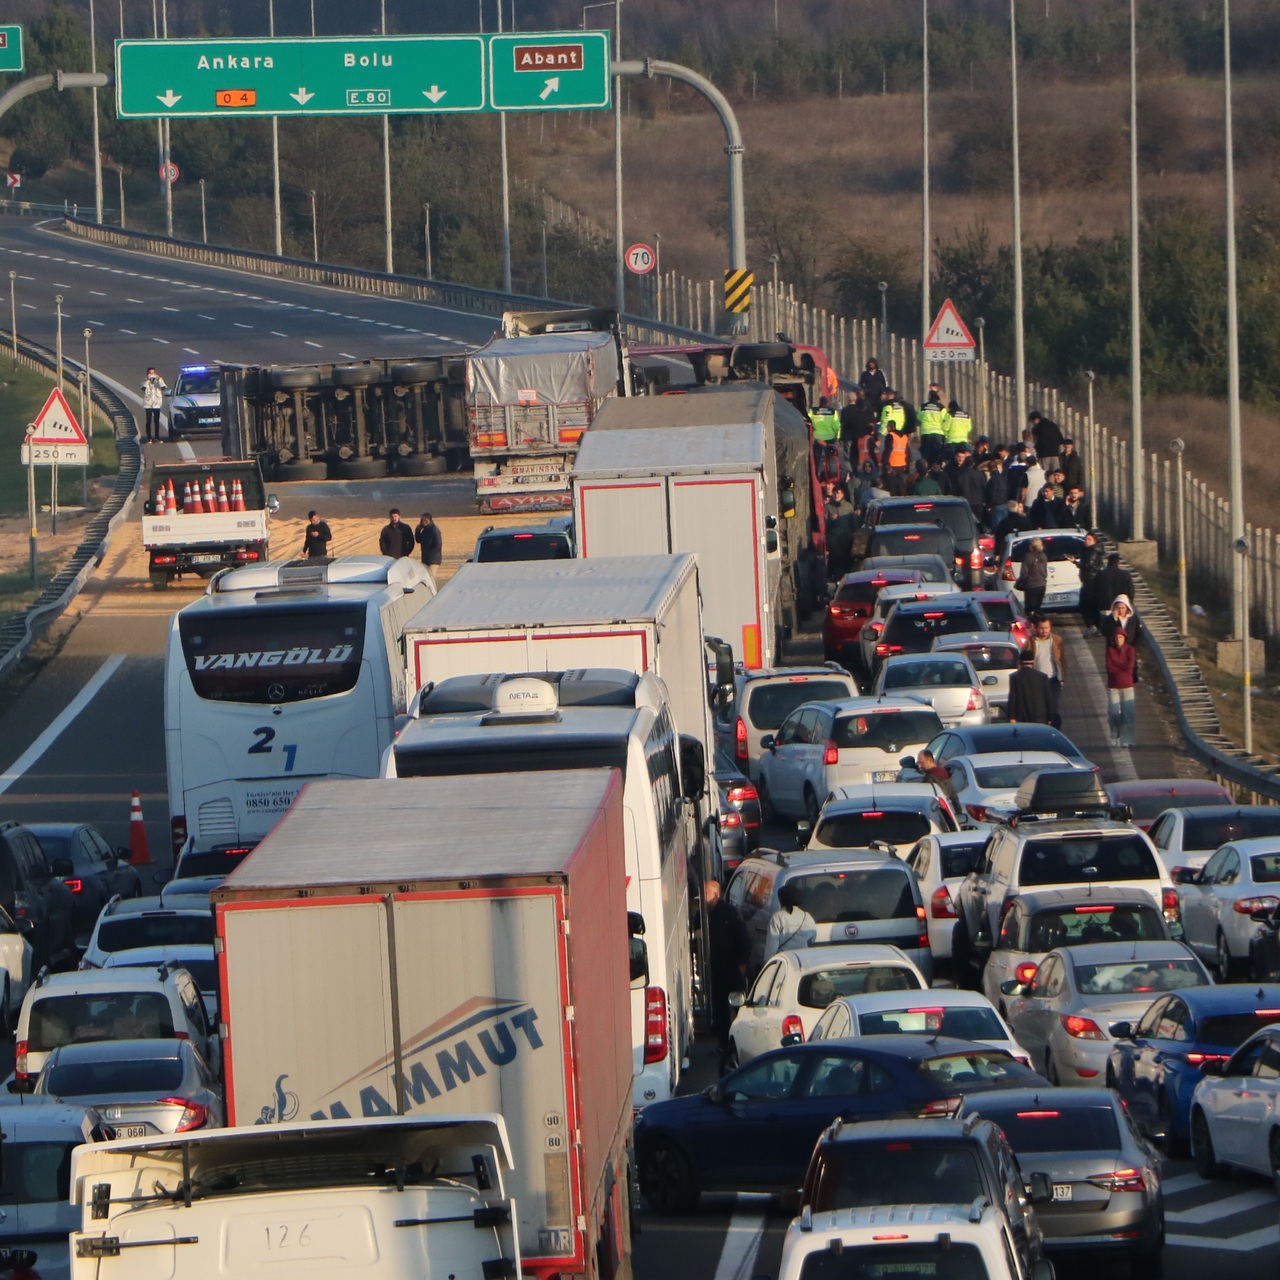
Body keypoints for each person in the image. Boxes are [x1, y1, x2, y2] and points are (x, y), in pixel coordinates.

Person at [704, 879, 751, 1067]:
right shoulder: (705, 915)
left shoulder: (730, 913)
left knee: (738, 1004)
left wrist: (742, 965)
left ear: (716, 894)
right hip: (716, 968)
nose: (703, 898)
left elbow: (744, 940)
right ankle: (723, 1044)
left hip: (732, 967)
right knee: (720, 1007)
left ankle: (741, 1043)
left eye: (706, 894)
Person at [762, 882, 817, 962]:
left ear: (782, 900)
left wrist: (768, 966)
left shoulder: (777, 917)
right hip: (803, 961)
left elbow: (771, 948)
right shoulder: (807, 917)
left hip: (783, 962)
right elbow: (812, 939)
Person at [1031, 613, 1067, 728]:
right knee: (1040, 709)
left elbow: (1062, 660)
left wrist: (1062, 677)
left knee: (1053, 708)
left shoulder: (1056, 640)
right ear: (1037, 628)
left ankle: (1056, 731)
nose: (1044, 631)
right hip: (1037, 681)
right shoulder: (1031, 642)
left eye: (1046, 628)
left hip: (1053, 680)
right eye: (1041, 628)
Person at [1105, 628, 1138, 747]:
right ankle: (1115, 735)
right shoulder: (1110, 650)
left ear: (1125, 638)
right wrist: (1121, 667)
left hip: (1127, 685)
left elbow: (1130, 667)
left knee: (1128, 714)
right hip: (1113, 685)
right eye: (1117, 637)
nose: (1119, 640)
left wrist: (1117, 664)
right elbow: (1109, 668)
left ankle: (1126, 739)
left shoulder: (1130, 650)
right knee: (1113, 713)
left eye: (1121, 637)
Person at [1007, 649, 1054, 724]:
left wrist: (1011, 716)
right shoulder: (1042, 677)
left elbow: (1012, 698)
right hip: (1040, 717)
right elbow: (1048, 698)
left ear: (1020, 662)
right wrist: (1050, 717)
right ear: (1033, 662)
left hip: (1021, 717)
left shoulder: (1014, 677)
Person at [1075, 531, 1106, 633]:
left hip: (1091, 581)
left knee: (1087, 604)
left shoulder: (1092, 551)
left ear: (1094, 541)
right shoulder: (1088, 550)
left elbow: (1088, 565)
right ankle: (1094, 626)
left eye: (1089, 539)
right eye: (1086, 539)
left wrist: (1077, 563)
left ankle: (1093, 625)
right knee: (1090, 605)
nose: (1086, 541)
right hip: (1089, 581)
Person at [1018, 537, 1049, 615]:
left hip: (1031, 585)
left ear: (1031, 546)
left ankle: (1032, 624)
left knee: (1029, 609)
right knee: (1037, 608)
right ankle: (1037, 621)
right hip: (1042, 584)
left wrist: (1021, 582)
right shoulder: (1044, 556)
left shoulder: (1028, 556)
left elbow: (1024, 573)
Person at [917, 390, 949, 465]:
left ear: (929, 397)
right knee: (936, 453)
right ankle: (935, 468)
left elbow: (919, 418)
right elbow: (944, 420)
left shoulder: (923, 406)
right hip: (938, 434)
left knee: (926, 453)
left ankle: (926, 469)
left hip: (926, 433)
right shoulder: (941, 408)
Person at [1029, 410, 1063, 476]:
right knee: (1056, 474)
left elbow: (1037, 442)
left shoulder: (1037, 428)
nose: (1033, 423)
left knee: (1044, 475)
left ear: (1036, 419)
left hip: (1043, 455)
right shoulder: (1054, 426)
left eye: (1033, 422)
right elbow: (1060, 440)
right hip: (1055, 454)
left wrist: (1036, 448)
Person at [140, 366, 168, 441]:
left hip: (156, 403)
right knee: (148, 420)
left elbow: (163, 387)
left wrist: (159, 379)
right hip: (148, 403)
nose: (152, 375)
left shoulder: (159, 380)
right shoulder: (145, 380)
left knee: (156, 421)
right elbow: (143, 388)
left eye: (153, 373)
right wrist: (147, 380)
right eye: (150, 373)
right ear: (147, 374)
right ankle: (149, 437)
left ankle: (157, 437)